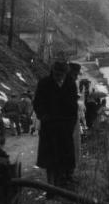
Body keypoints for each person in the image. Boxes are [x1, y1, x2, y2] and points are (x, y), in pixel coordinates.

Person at [33, 60, 78, 192]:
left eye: (62, 74)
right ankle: (51, 188)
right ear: (53, 71)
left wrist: (70, 125)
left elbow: (73, 107)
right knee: (50, 161)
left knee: (64, 158)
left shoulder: (70, 84)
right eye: (57, 73)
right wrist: (44, 117)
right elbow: (37, 104)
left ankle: (61, 185)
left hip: (65, 128)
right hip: (49, 128)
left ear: (65, 73)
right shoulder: (44, 83)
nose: (59, 76)